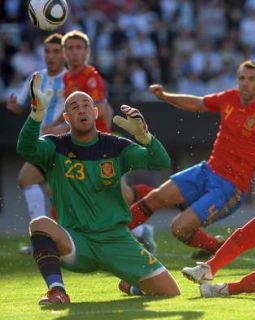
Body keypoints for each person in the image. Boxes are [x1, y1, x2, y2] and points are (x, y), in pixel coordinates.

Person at [16, 75, 180, 304]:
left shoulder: (116, 145)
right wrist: (36, 113)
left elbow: (160, 162)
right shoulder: (55, 146)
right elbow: (26, 148)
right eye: (74, 107)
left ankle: (132, 287)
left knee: (172, 292)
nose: (81, 110)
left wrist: (144, 136)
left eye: (86, 106)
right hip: (77, 241)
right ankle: (57, 291)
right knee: (39, 224)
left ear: (95, 113)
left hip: (117, 240)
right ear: (67, 118)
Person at [128, 60, 255, 259]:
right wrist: (165, 96)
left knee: (179, 228)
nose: (246, 83)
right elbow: (196, 103)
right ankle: (115, 237)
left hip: (230, 188)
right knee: (154, 198)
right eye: (242, 78)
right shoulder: (228, 98)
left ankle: (214, 245)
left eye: (251, 79)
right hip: (206, 171)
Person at [56, 30, 156, 251]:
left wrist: (63, 127)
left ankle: (145, 221)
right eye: (70, 48)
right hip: (81, 143)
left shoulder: (92, 76)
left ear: (87, 51)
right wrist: (55, 126)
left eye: (79, 48)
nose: (74, 52)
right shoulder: (66, 78)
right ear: (64, 52)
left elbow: (101, 110)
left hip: (100, 143)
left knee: (119, 192)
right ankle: (137, 230)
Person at [6, 33, 68, 254]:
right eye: (48, 51)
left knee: (60, 194)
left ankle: (49, 239)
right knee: (28, 180)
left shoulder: (71, 79)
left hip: (65, 143)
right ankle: (44, 239)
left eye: (56, 51)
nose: (51, 56)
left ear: (64, 54)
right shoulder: (37, 77)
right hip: (43, 145)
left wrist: (62, 127)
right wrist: (13, 106)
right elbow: (19, 104)